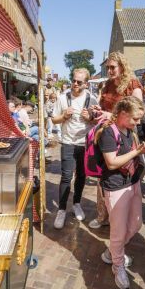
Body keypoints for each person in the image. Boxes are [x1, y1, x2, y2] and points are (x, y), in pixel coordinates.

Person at [96, 96, 145, 289]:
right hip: (115, 186)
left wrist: (143, 148)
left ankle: (112, 252)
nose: (138, 123)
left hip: (132, 182)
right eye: (135, 119)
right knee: (118, 230)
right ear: (122, 114)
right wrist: (138, 151)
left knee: (136, 223)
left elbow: (130, 153)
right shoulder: (108, 131)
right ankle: (118, 265)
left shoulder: (129, 130)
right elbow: (112, 162)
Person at [89, 51, 143, 229]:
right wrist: (97, 110)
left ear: (122, 66)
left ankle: (121, 217)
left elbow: (138, 113)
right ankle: (103, 215)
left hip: (126, 135)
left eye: (113, 67)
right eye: (108, 68)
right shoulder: (106, 85)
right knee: (102, 175)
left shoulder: (133, 84)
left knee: (123, 172)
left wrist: (110, 114)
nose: (110, 70)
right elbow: (102, 106)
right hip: (106, 134)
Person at [51, 68, 98, 229]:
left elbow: (97, 122)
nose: (75, 84)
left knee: (81, 175)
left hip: (85, 143)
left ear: (86, 84)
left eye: (79, 82)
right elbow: (54, 119)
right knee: (66, 176)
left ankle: (76, 203)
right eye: (74, 80)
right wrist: (63, 116)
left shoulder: (92, 99)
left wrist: (90, 118)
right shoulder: (62, 98)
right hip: (68, 142)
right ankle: (62, 209)